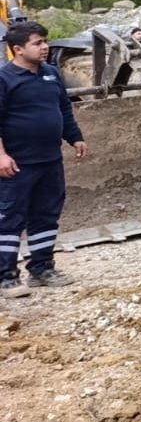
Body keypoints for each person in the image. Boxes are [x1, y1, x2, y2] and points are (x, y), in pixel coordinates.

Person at [0, 22, 88, 297]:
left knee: (46, 214)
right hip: (17, 163)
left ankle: (41, 268)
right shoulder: (4, 79)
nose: (45, 47)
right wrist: (1, 155)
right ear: (18, 49)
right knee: (10, 218)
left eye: (44, 41)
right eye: (37, 43)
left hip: (50, 160)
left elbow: (63, 108)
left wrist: (75, 137)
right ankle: (6, 277)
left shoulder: (51, 74)